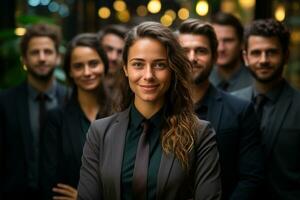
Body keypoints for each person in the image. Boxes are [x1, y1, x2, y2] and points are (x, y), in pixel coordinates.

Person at [77, 21, 222, 200]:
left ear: (172, 69)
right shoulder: (100, 132)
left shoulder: (200, 134)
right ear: (125, 68)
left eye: (159, 65)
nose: (148, 75)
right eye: (138, 64)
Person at [178, 19, 264, 200]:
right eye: (185, 51)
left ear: (215, 57)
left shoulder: (240, 110)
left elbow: (250, 178)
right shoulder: (159, 107)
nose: (192, 57)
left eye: (201, 51)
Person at [232, 19, 300, 200]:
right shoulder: (231, 103)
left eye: (271, 52)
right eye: (256, 53)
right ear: (245, 57)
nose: (263, 60)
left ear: (286, 56)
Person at [40, 33, 112, 200]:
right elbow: (50, 181)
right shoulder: (56, 119)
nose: (87, 72)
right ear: (70, 72)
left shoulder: (123, 112)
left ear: (104, 65)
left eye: (93, 64)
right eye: (78, 66)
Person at [0, 23, 68, 199]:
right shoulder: (4, 102)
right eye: (35, 52)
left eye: (48, 52)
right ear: (24, 59)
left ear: (58, 57)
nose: (42, 58)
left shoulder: (73, 100)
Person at [210, 12, 252, 92]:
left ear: (242, 43)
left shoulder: (255, 84)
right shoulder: (202, 80)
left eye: (228, 41)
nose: (221, 48)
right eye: (216, 41)